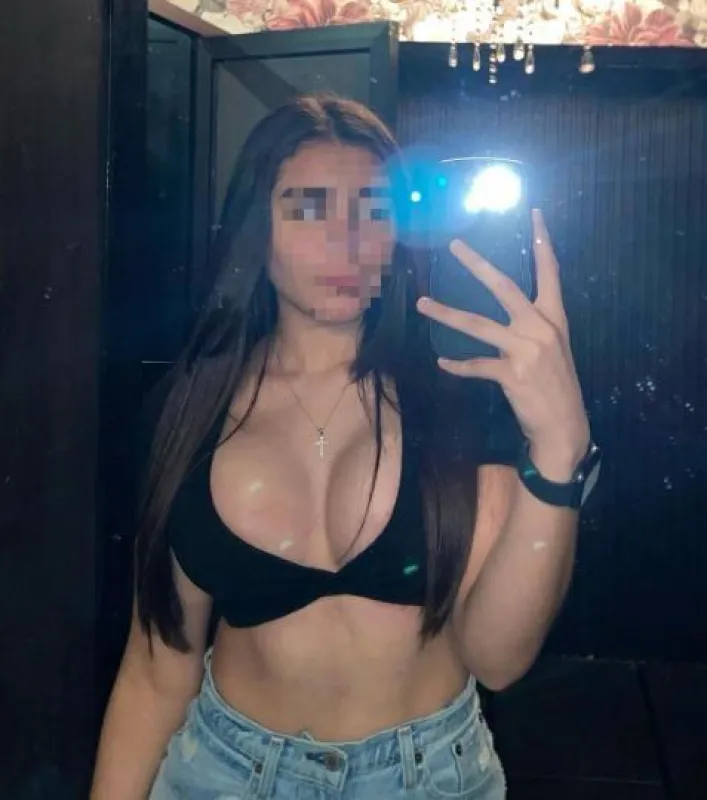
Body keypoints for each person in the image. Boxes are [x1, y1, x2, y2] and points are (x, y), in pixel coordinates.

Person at [91, 93, 596, 799]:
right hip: (222, 772)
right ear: (255, 229)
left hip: (429, 777)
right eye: (308, 208)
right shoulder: (187, 408)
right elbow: (156, 669)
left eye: (373, 210)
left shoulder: (457, 391)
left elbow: (498, 658)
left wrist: (559, 449)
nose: (347, 241)